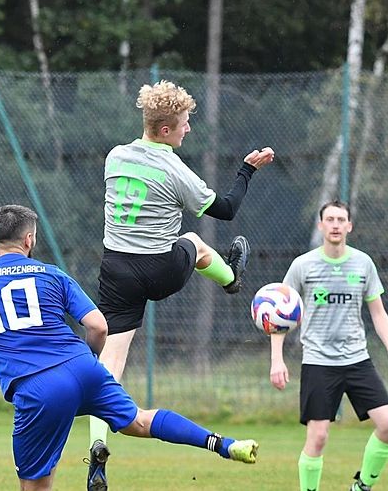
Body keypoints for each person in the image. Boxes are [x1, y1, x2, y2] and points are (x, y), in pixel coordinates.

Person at [0, 205, 259, 491]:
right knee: (138, 421)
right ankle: (224, 444)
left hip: (37, 388)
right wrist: (90, 358)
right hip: (82, 367)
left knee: (35, 487)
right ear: (30, 239)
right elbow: (98, 326)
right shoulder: (52, 274)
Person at [88, 79, 275, 489]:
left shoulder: (115, 156)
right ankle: (232, 279)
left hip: (116, 269)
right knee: (192, 240)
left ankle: (96, 448)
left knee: (110, 365)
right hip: (158, 269)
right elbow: (225, 210)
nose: (189, 128)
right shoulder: (174, 168)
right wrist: (247, 170)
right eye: (186, 122)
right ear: (167, 130)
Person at [269, 200, 388, 491]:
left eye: (340, 219)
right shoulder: (303, 265)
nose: (335, 224)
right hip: (319, 362)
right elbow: (279, 315)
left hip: (358, 360)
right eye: (329, 219)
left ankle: (362, 486)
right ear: (321, 225)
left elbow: (378, 311)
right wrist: (277, 360)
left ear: (349, 226)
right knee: (318, 437)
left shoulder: (363, 263)